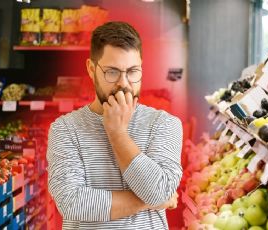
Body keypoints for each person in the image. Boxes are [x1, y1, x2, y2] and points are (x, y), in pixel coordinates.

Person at [47, 21, 183, 229]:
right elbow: (72, 203)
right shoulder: (64, 129)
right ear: (92, 69)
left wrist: (118, 134)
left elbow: (159, 192)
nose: (124, 82)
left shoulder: (164, 124)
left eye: (133, 71)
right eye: (112, 72)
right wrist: (151, 201)